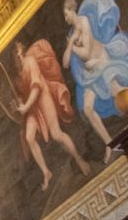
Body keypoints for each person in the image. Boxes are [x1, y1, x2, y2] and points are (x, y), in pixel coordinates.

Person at [60, 0, 128, 157]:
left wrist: (72, 46)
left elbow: (86, 52)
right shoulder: (72, 33)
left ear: (71, 10)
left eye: (66, 14)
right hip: (91, 74)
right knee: (88, 108)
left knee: (119, 93)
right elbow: (65, 63)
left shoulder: (84, 21)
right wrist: (70, 44)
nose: (65, 18)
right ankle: (109, 144)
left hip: (102, 64)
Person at [10, 38, 90, 191]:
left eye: (19, 54)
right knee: (29, 137)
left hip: (42, 98)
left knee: (56, 134)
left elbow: (36, 87)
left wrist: (25, 107)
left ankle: (79, 159)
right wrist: (18, 105)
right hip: (32, 107)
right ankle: (46, 172)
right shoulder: (16, 77)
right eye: (16, 57)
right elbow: (21, 95)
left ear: (22, 52)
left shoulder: (30, 62)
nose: (19, 59)